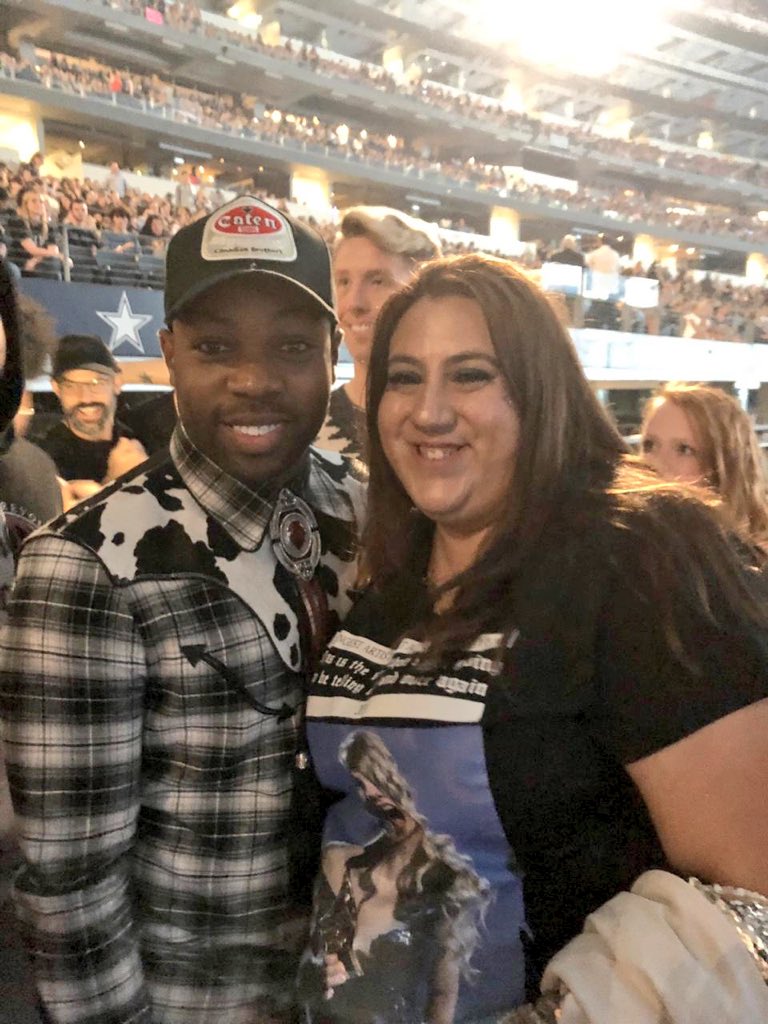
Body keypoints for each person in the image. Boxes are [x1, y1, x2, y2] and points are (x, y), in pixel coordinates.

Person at [305, 254, 768, 1021]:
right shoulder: (394, 572)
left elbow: (752, 888)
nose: (429, 410)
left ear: (539, 391)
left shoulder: (640, 555)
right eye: (405, 376)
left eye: (472, 374)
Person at [0, 194, 364, 1024]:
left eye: (293, 346)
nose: (255, 378)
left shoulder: (367, 516)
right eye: (214, 346)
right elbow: (70, 889)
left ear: (334, 356)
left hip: (356, 993)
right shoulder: (83, 565)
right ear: (167, 353)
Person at [301, 730, 490, 1024]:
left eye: (375, 778)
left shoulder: (448, 885)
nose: (371, 794)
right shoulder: (343, 862)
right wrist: (322, 973)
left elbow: (443, 995)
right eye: (360, 784)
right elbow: (313, 964)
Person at [315, 206, 441, 461]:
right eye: (343, 282)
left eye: (378, 281)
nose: (354, 303)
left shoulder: (453, 425)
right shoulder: (309, 428)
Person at [641, 382, 768, 555]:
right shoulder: (631, 540)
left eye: (684, 449)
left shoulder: (751, 565)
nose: (656, 463)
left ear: (724, 467)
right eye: (649, 445)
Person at [36, 333, 148, 505]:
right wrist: (116, 482)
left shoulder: (141, 431)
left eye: (97, 383)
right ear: (57, 388)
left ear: (117, 383)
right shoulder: (44, 460)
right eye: (71, 385)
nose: (85, 397)